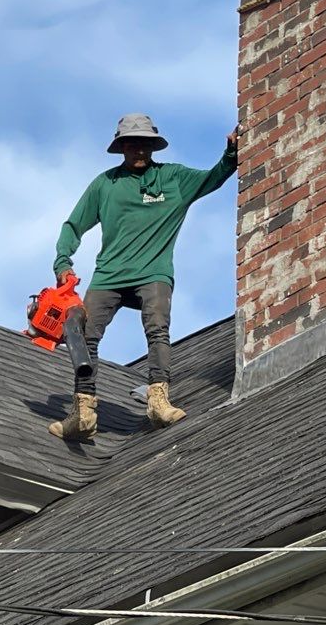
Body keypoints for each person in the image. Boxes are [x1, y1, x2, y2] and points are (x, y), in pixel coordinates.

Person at [48, 113, 239, 440]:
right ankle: (82, 411)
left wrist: (231, 153)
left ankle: (158, 400)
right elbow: (73, 226)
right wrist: (63, 261)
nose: (139, 150)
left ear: (153, 146)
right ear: (121, 146)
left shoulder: (173, 179)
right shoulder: (105, 184)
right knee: (84, 335)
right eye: (132, 143)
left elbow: (215, 177)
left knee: (157, 328)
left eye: (145, 144)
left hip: (153, 272)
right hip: (109, 276)